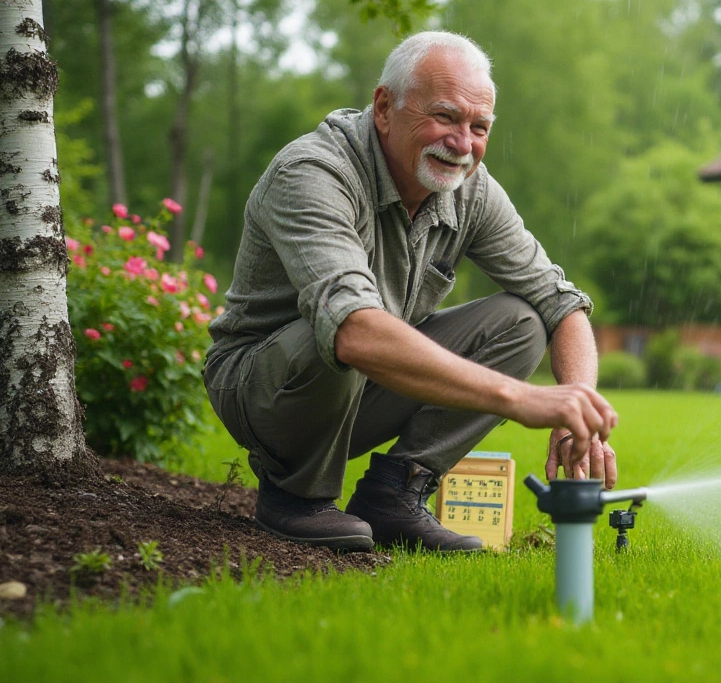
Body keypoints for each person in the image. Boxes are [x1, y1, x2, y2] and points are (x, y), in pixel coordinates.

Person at [203, 31, 618, 554]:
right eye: (445, 117)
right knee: (342, 330)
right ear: (384, 108)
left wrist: (573, 416)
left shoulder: (472, 189)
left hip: (364, 383)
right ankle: (295, 496)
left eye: (479, 127)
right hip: (266, 391)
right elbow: (354, 332)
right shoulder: (312, 172)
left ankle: (393, 495)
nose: (463, 144)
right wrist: (525, 399)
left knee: (523, 321)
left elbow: (562, 303)